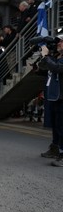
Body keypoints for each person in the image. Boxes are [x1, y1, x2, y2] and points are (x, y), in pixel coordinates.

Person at [38, 35, 63, 167]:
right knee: (55, 126)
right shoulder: (56, 57)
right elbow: (43, 67)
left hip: (61, 97)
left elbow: (58, 69)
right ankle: (55, 148)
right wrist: (43, 55)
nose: (58, 44)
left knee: (61, 126)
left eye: (61, 42)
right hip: (54, 96)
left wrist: (47, 57)